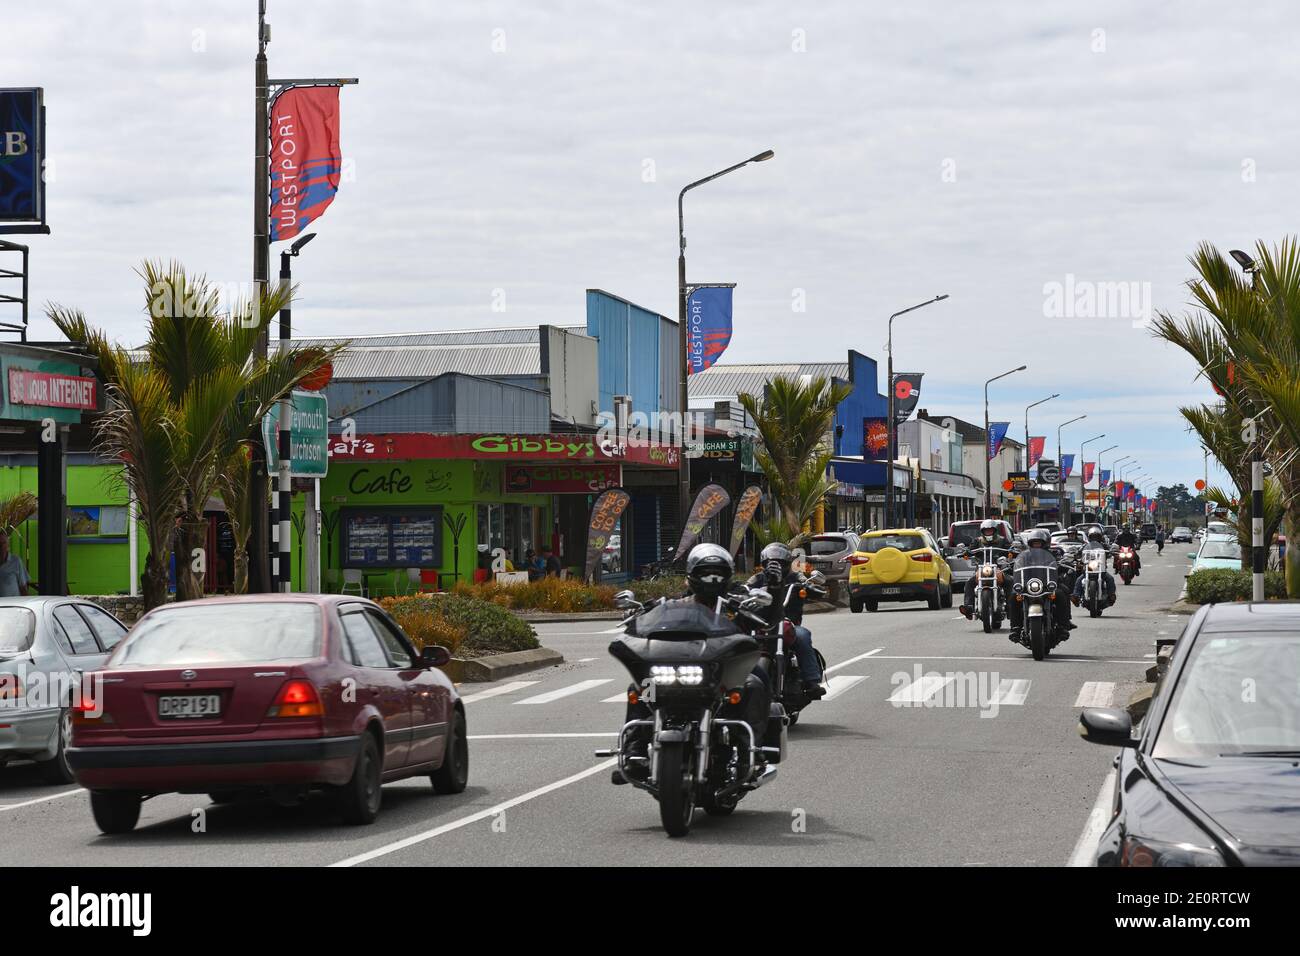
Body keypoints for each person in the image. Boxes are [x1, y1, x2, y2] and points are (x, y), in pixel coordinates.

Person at [745, 542, 826, 698]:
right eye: (771, 563)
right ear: (764, 564)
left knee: (802, 636)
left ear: (788, 564)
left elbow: (807, 582)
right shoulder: (757, 579)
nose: (776, 566)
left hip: (788, 624)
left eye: (781, 563)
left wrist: (810, 587)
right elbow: (744, 587)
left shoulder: (796, 576)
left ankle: (812, 681)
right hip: (760, 623)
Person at [1006, 528, 1074, 643]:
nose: (1036, 545)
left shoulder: (1054, 553)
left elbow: (1061, 561)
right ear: (1030, 544)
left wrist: (1064, 563)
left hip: (1049, 585)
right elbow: (1017, 564)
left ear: (1045, 543)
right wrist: (1010, 565)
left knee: (1062, 593)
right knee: (1014, 596)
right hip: (1029, 585)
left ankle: (1064, 624)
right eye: (1034, 543)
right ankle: (1015, 627)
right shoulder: (1025, 556)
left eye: (1039, 543)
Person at [959, 519, 1013, 619]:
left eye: (990, 530)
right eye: (986, 531)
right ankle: (969, 608)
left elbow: (1009, 549)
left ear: (995, 530)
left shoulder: (1002, 540)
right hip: (981, 569)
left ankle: (1012, 608)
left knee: (1010, 581)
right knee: (969, 583)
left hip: (998, 569)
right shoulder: (977, 541)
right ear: (983, 532)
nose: (988, 532)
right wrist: (966, 552)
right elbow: (970, 549)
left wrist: (1012, 551)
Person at [1071, 527, 1116, 607]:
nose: (1095, 538)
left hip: (1101, 569)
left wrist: (1112, 551)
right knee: (1079, 580)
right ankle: (1076, 596)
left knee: (1110, 579)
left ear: (1100, 537)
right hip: (1089, 568)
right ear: (1090, 537)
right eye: (1093, 536)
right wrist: (1076, 555)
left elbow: (1110, 549)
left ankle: (1111, 596)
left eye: (1096, 536)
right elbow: (1079, 552)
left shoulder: (1103, 545)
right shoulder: (1085, 546)